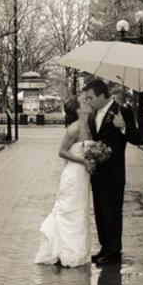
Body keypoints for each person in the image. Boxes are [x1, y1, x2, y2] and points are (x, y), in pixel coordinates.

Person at [34, 97, 94, 267]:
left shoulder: (88, 126)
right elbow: (62, 151)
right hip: (73, 175)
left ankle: (78, 251)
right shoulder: (74, 129)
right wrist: (83, 162)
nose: (87, 104)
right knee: (69, 211)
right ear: (77, 110)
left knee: (80, 211)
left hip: (83, 176)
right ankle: (65, 251)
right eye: (84, 104)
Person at [88, 79, 141, 265]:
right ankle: (104, 246)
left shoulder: (122, 111)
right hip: (97, 172)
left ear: (103, 96)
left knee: (112, 212)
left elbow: (137, 138)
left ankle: (114, 251)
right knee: (100, 212)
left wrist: (123, 127)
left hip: (114, 172)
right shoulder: (93, 113)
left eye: (91, 98)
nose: (89, 101)